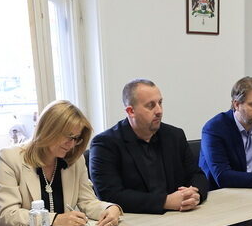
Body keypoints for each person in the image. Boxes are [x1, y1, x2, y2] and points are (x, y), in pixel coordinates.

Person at [0, 100, 121, 226]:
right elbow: (8, 214)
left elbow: (87, 201)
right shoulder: (10, 158)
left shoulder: (75, 160)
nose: (71, 144)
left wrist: (110, 208)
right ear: (48, 130)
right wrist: (55, 219)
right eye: (68, 136)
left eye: (76, 138)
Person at [89, 79, 208, 214]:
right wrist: (165, 202)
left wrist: (195, 194)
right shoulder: (105, 144)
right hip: (136, 221)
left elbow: (197, 175)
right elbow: (110, 195)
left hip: (179, 215)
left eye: (160, 103)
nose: (159, 110)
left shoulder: (174, 135)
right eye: (151, 105)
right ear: (131, 111)